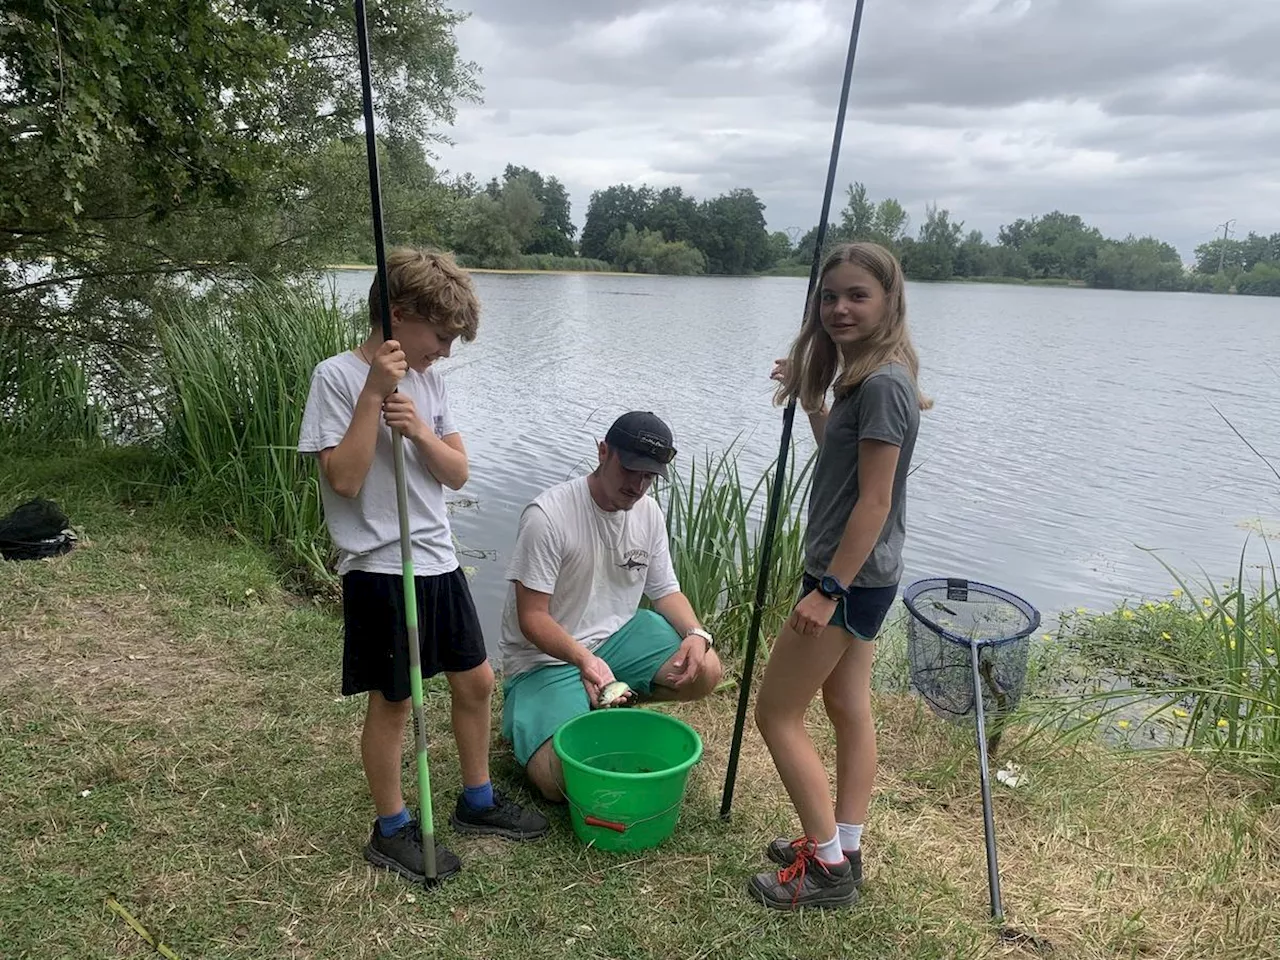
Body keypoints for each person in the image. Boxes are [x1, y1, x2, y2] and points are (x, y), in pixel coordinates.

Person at [297, 247, 547, 885]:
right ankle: (391, 828)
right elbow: (346, 481)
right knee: (395, 701)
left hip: (437, 557)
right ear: (398, 316)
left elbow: (457, 472)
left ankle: (478, 799)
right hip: (380, 567)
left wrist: (420, 433)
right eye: (440, 336)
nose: (446, 350)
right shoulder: (335, 377)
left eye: (454, 339)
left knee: (477, 682)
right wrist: (374, 396)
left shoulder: (432, 383)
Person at [747, 242, 931, 910]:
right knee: (847, 707)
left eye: (858, 295)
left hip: (846, 579)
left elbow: (874, 503)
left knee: (776, 712)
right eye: (829, 297)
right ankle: (844, 843)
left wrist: (828, 591)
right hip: (868, 577)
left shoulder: (882, 384)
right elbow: (845, 465)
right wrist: (813, 402)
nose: (839, 309)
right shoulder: (872, 377)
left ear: (889, 302)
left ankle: (826, 869)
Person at [498, 411, 725, 801]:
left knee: (704, 669)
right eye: (630, 470)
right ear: (603, 452)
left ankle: (609, 702)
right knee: (558, 781)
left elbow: (665, 588)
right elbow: (532, 618)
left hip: (617, 636)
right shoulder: (548, 517)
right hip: (545, 660)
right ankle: (542, 710)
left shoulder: (648, 512)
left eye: (649, 477)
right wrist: (583, 660)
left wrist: (697, 634)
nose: (637, 486)